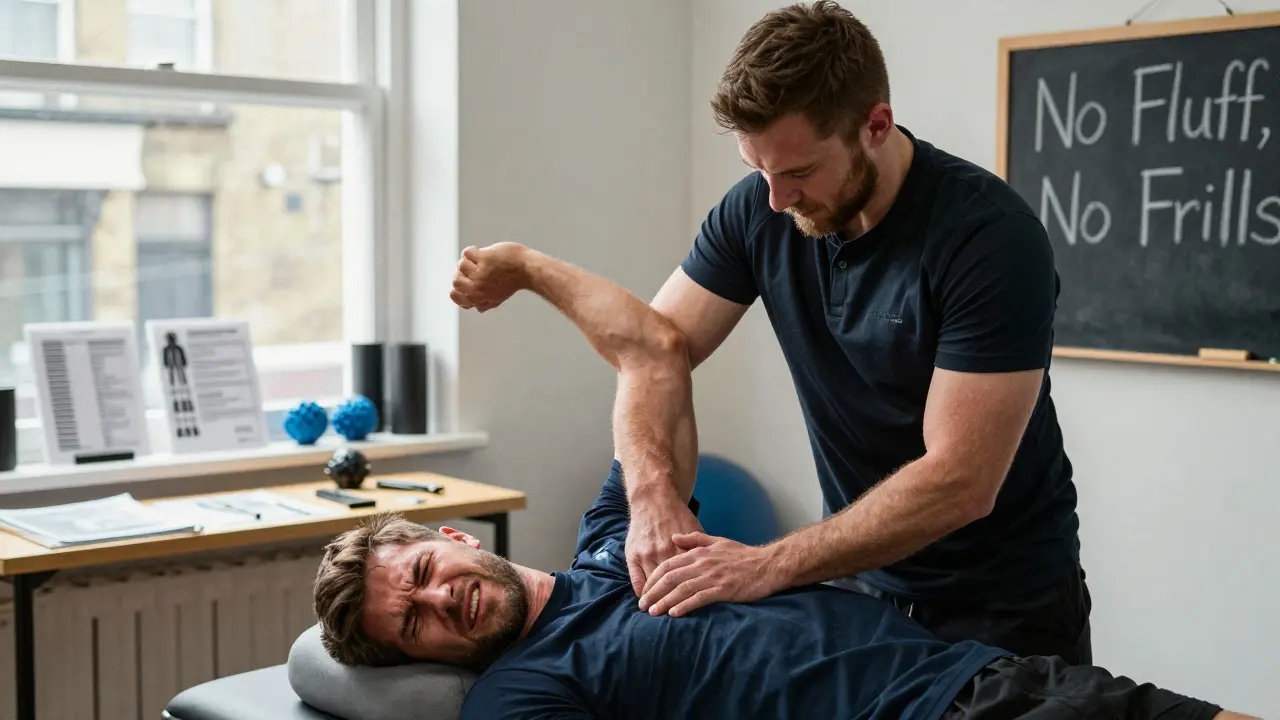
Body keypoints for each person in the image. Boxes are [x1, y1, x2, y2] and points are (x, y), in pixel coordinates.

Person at [313, 248, 1251, 719]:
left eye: (422, 576)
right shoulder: (518, 693)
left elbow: (654, 348)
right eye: (415, 625)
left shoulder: (616, 540)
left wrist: (523, 264)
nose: (442, 602)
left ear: (453, 538)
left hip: (972, 676)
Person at [459, 0, 1092, 664]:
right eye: (757, 170)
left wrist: (766, 564)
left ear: (876, 125)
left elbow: (959, 480)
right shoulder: (761, 211)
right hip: (855, 584)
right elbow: (651, 348)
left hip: (1003, 602)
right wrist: (648, 496)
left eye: (798, 172)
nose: (776, 199)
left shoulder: (988, 239)